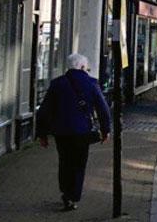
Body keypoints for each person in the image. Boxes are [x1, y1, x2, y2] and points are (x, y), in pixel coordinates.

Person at [36, 53, 111, 211]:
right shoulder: (91, 83)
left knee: (64, 161)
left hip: (61, 131)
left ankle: (65, 191)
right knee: (79, 164)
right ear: (83, 67)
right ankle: (73, 196)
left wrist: (42, 134)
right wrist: (106, 130)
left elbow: (45, 110)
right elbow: (103, 108)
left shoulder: (57, 83)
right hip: (82, 130)